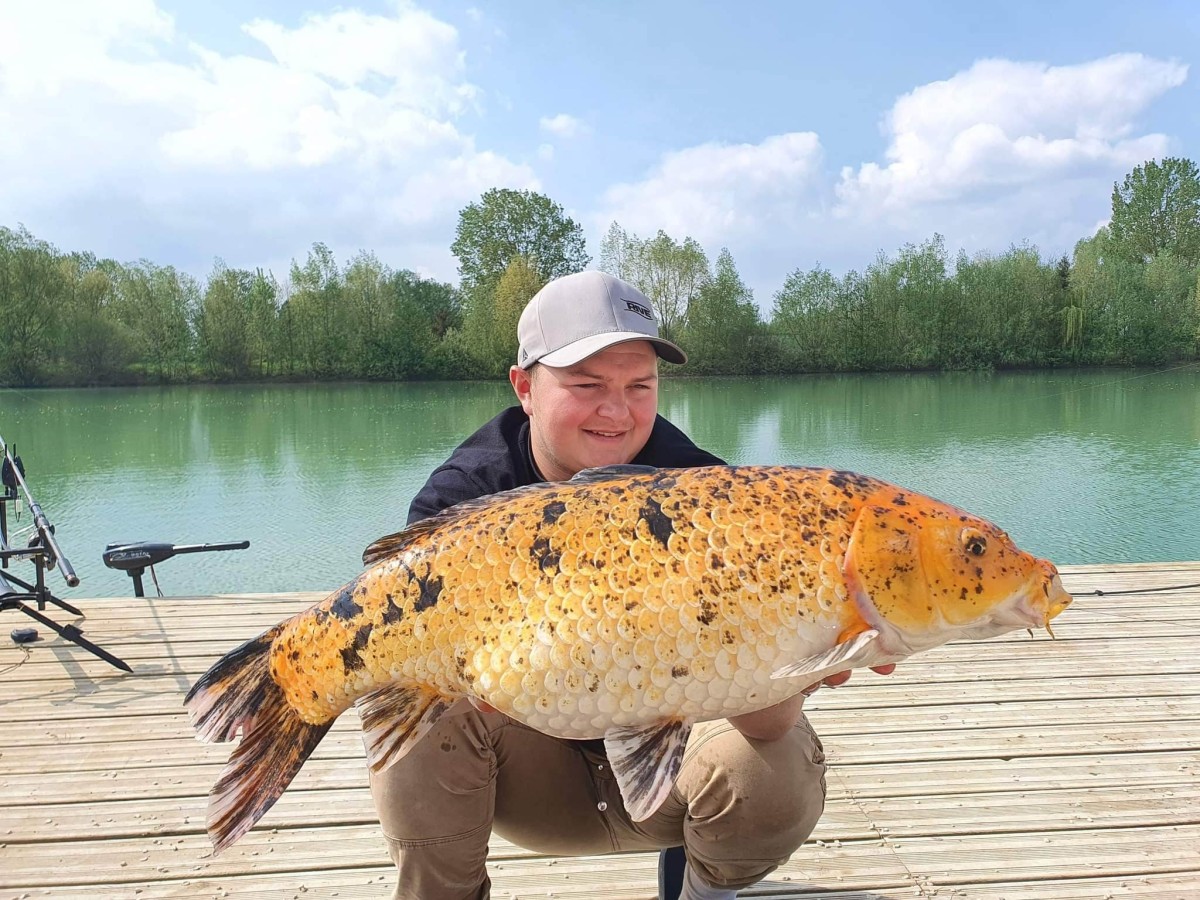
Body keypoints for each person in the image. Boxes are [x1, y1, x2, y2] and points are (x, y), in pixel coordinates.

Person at [370, 270, 893, 900]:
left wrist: (801, 662)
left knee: (775, 763)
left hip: (669, 783)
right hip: (525, 779)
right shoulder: (464, 498)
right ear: (524, 387)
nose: (616, 412)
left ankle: (704, 892)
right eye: (587, 385)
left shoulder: (709, 494)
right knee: (412, 693)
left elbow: (766, 722)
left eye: (638, 386)